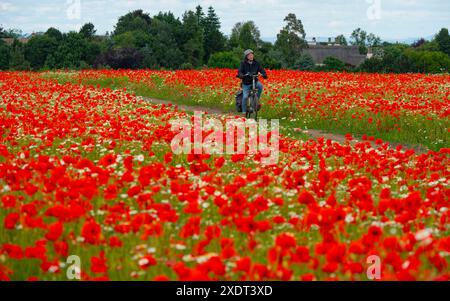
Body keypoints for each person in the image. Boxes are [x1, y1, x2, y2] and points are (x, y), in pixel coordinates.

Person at [237, 49, 268, 114]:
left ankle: (256, 100)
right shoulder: (243, 63)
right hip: (246, 83)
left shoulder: (257, 63)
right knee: (245, 96)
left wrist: (263, 74)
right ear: (246, 57)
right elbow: (240, 71)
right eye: (249, 55)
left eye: (252, 54)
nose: (251, 56)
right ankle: (244, 111)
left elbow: (262, 70)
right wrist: (241, 75)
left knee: (260, 86)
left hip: (255, 81)